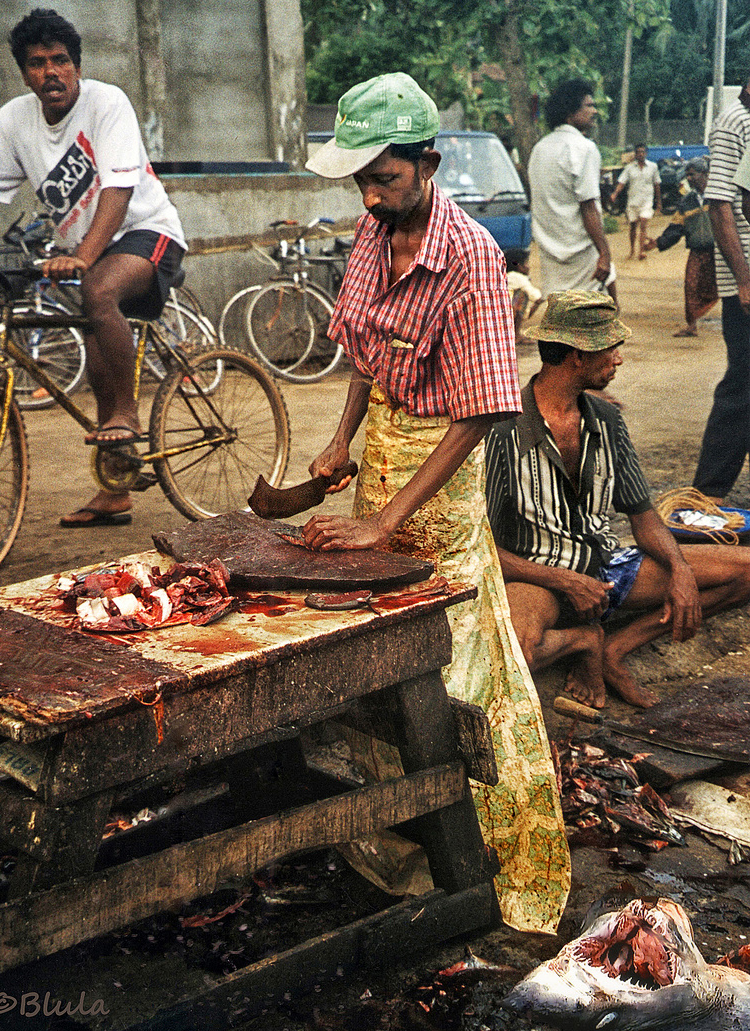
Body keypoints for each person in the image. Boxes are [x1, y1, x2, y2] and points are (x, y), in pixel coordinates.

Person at [304, 72, 569, 935]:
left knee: (448, 668)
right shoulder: (371, 232)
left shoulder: (473, 262)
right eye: (361, 180)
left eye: (384, 176)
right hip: (382, 450)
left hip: (441, 479)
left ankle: (488, 858)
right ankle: (404, 842)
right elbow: (362, 350)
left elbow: (485, 409)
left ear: (428, 160)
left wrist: (385, 520)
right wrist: (342, 440)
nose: (371, 194)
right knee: (371, 654)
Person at [0, 9, 186, 528]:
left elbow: (119, 191)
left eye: (60, 60)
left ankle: (127, 413)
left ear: (77, 66)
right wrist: (82, 257)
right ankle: (116, 487)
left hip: (148, 232)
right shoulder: (15, 120)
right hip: (88, 250)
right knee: (91, 324)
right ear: (24, 74)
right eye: (37, 64)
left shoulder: (107, 103)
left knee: (99, 291)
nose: (50, 72)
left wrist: (84, 256)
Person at [484, 290, 750, 711]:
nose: (618, 360)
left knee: (747, 570)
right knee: (517, 649)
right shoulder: (501, 429)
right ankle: (582, 640)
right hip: (538, 582)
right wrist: (565, 581)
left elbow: (644, 518)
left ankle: (614, 649)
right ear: (577, 355)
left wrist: (679, 570)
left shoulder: (607, 421)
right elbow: (479, 547)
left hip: (608, 569)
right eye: (611, 350)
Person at [691, 75, 750, 505]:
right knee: (742, 386)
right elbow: (719, 202)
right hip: (745, 277)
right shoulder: (735, 121)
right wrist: (743, 278)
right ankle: (706, 495)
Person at [527, 78, 617, 304]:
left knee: (560, 323)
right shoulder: (584, 148)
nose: (594, 111)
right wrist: (605, 254)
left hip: (551, 254)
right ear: (570, 112)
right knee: (593, 325)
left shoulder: (540, 149)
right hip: (583, 255)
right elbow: (588, 208)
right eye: (588, 105)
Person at [646, 157, 717, 337]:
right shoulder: (687, 201)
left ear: (705, 174)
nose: (689, 179)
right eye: (687, 175)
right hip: (697, 251)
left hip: (720, 251)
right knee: (691, 285)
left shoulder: (718, 196)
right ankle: (691, 326)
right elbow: (676, 229)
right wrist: (658, 242)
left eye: (692, 174)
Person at [610, 144, 661, 260]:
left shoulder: (653, 167)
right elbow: (622, 183)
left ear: (646, 153)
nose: (640, 154)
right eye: (638, 152)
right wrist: (615, 194)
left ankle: (641, 251)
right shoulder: (629, 168)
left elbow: (657, 184)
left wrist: (659, 202)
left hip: (647, 201)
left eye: (643, 152)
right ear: (635, 154)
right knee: (633, 226)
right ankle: (632, 250)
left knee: (643, 223)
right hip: (633, 201)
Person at [504, 246, 543, 345]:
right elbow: (536, 296)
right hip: (508, 313)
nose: (528, 266)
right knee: (522, 296)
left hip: (503, 314)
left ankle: (514, 334)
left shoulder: (507, 276)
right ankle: (516, 335)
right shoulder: (517, 277)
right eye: (526, 263)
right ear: (518, 266)